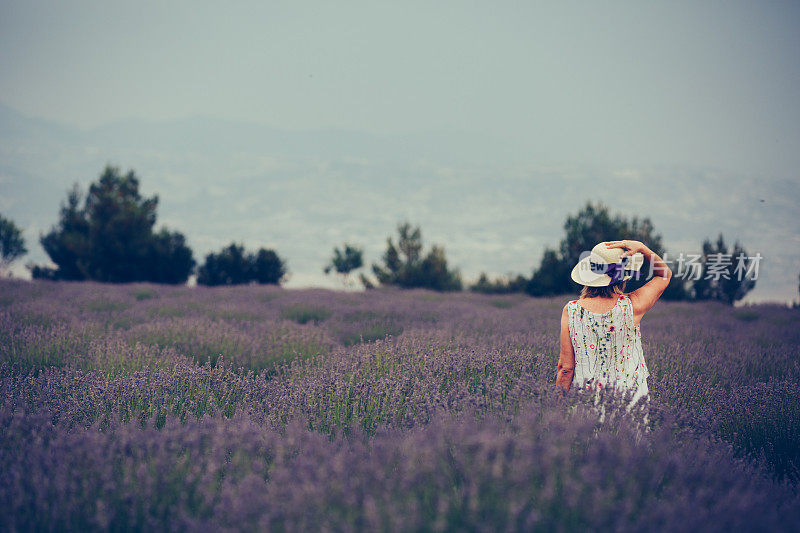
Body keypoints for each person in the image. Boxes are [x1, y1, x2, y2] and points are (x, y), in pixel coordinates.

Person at [555, 240, 672, 405]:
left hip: (588, 402)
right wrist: (642, 248)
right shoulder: (632, 305)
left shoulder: (572, 310)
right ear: (623, 277)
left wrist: (557, 409)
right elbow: (664, 274)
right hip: (630, 402)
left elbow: (565, 368)